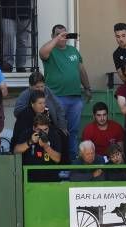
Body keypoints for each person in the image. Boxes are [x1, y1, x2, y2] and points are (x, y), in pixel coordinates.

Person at [39, 25, 92, 161]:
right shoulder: (51, 52)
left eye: (64, 34)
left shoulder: (73, 50)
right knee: (57, 130)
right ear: (53, 36)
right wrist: (56, 40)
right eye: (58, 34)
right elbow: (42, 52)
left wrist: (87, 88)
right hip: (56, 98)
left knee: (73, 132)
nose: (62, 37)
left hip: (75, 98)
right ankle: (59, 162)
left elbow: (81, 70)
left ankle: (72, 161)